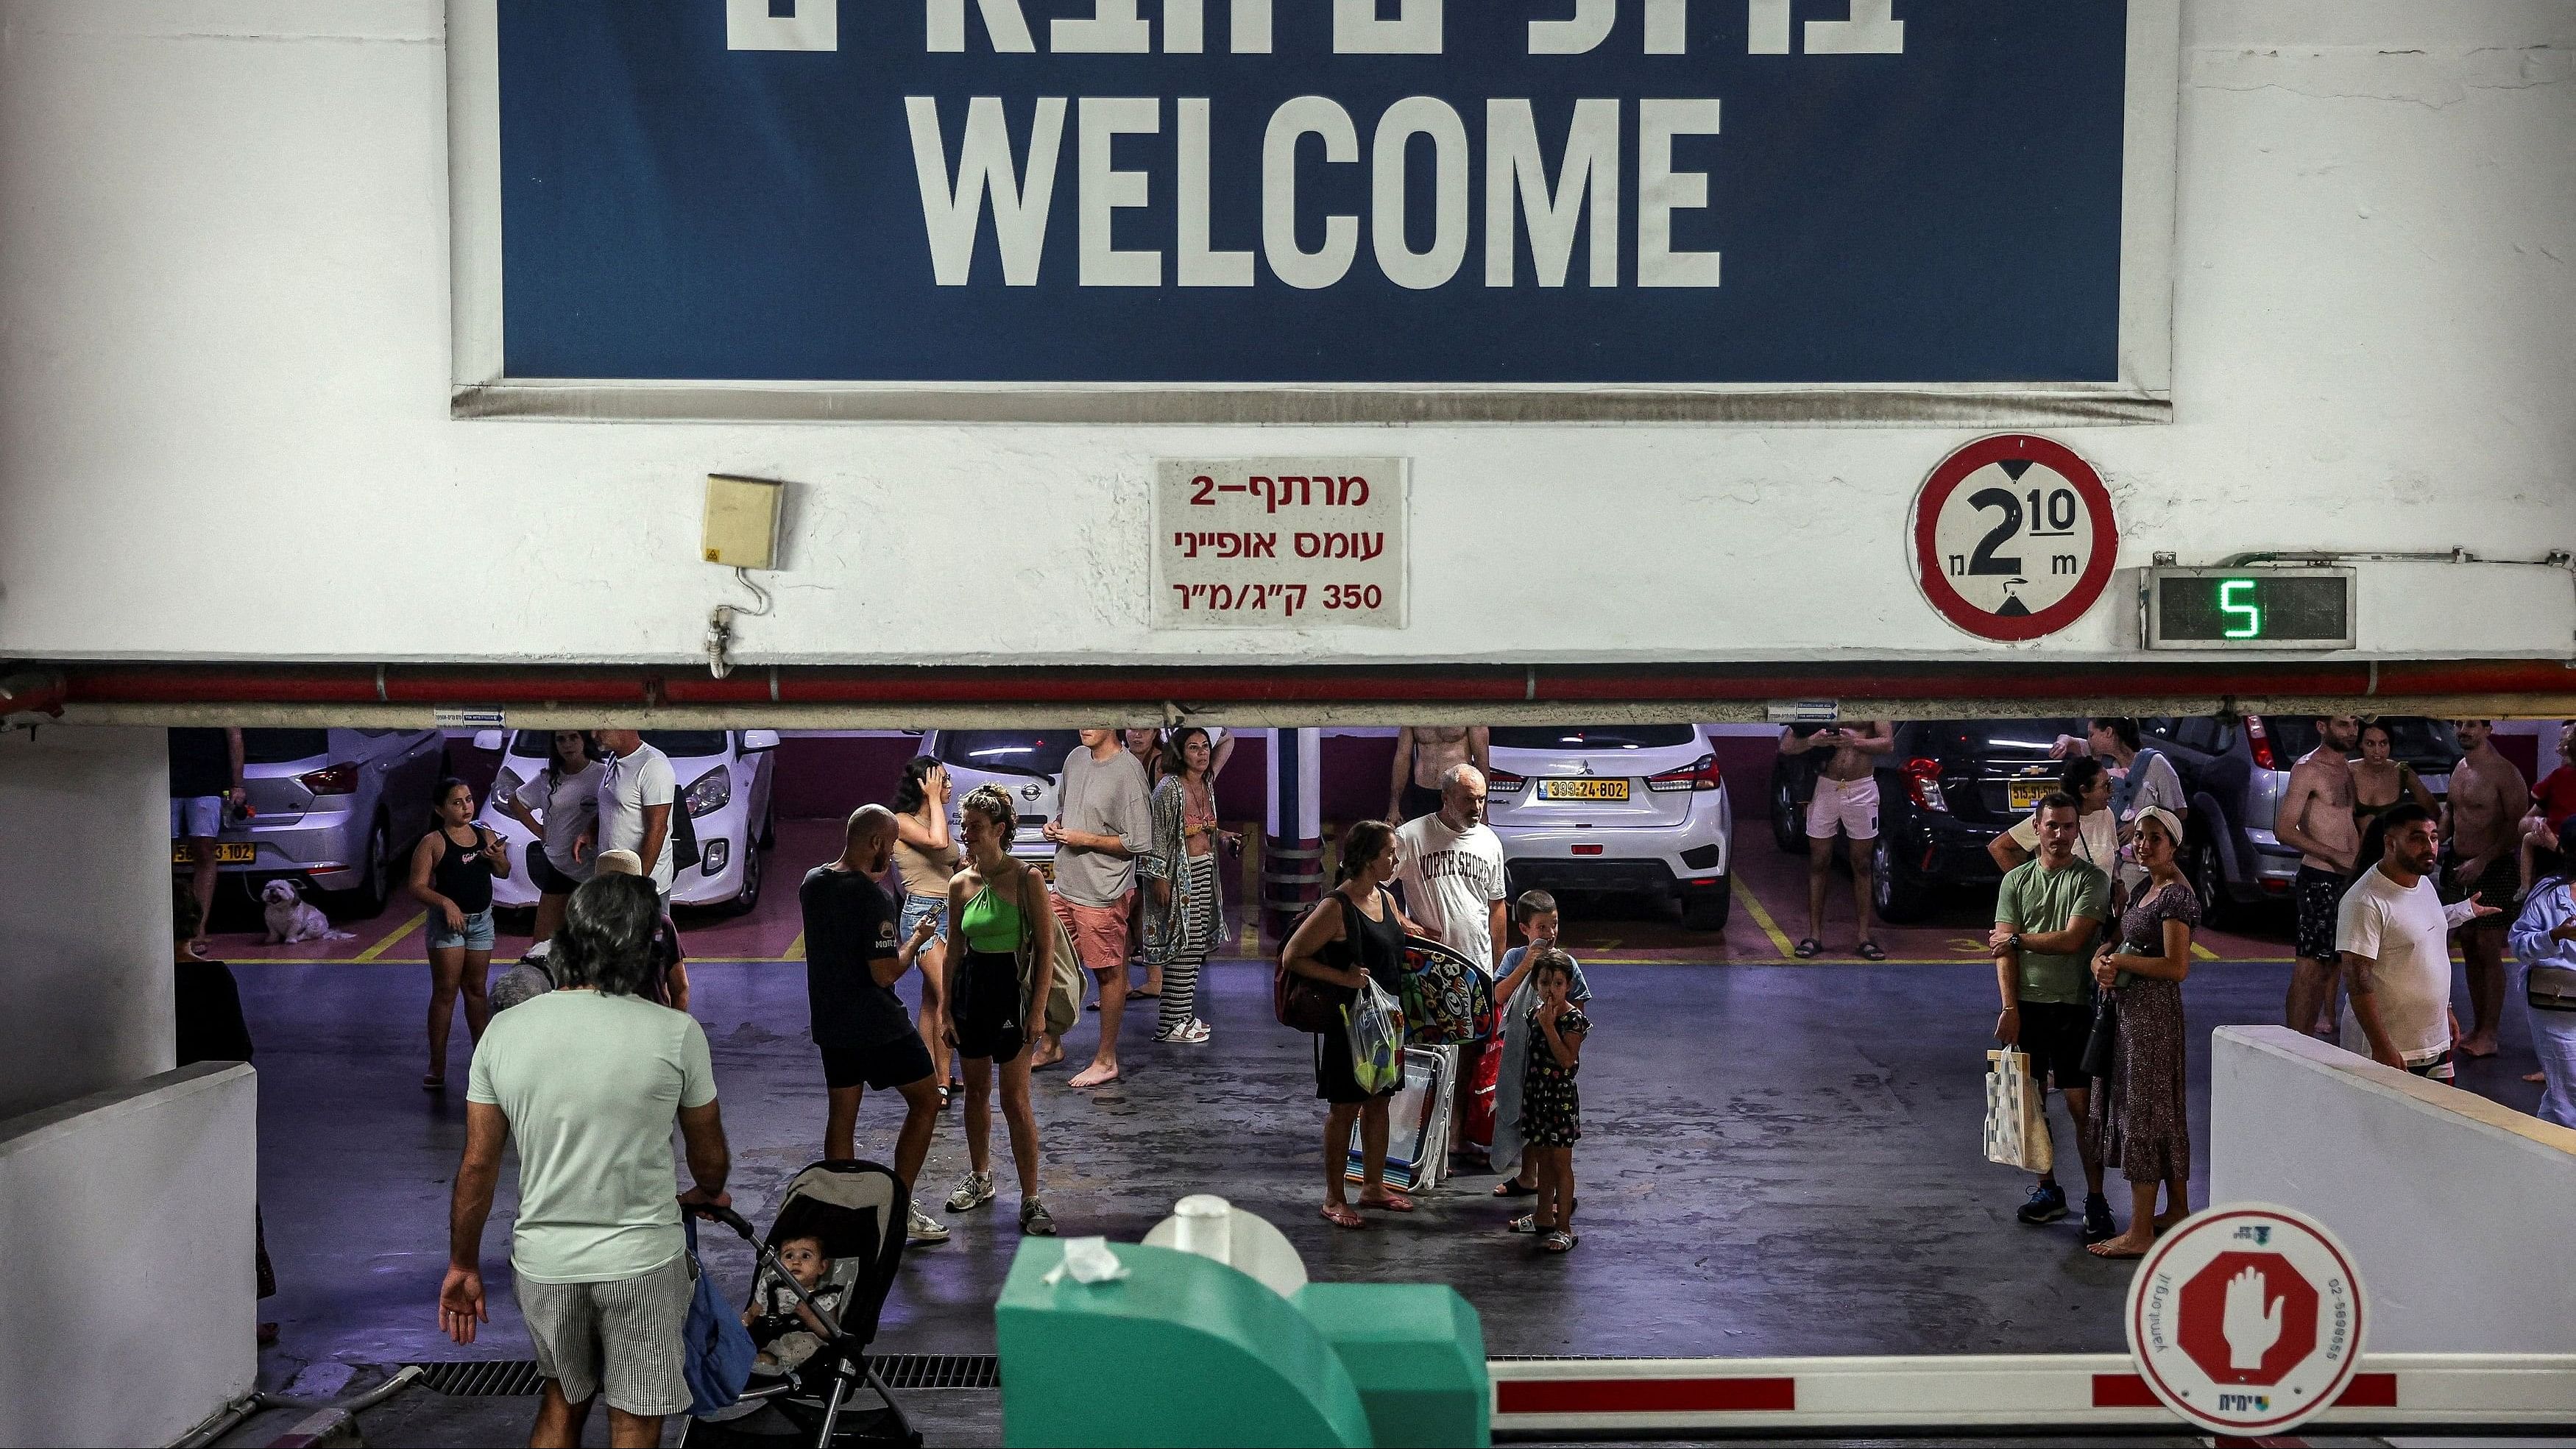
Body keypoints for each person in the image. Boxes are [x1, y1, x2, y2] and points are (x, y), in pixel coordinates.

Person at [442, 873, 733, 1449]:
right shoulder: (676, 1033)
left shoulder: (503, 1031)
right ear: (647, 946)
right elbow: (710, 1162)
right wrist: (705, 1190)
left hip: (545, 1263)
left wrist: (463, 1264)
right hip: (641, 1262)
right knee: (633, 1416)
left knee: (561, 1399)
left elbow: (478, 1164)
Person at [802, 804, 950, 1245]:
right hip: (877, 1024)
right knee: (926, 1102)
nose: (891, 852)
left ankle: (844, 1217)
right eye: (890, 844)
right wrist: (917, 941)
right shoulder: (872, 898)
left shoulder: (813, 883)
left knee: (842, 1120)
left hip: (831, 1023)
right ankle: (898, 1209)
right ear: (875, 843)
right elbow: (885, 973)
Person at [1988, 793, 2115, 1243]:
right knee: (2032, 1107)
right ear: (2036, 829)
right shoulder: (2015, 882)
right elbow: (2001, 956)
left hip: (2075, 1008)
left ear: (2077, 830)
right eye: (2051, 826)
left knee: (2084, 1109)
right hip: (2027, 1010)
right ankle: (2048, 1190)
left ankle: (2096, 1198)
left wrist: (2019, 940)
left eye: (2067, 827)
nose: (2060, 835)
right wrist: (2010, 1008)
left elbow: (2072, 940)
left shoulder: (2091, 881)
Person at [1282, 818, 1420, 1229]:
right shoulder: (1336, 908)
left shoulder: (1386, 899)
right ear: (1367, 859)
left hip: (1386, 1022)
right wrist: (1344, 979)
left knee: (1379, 1103)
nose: (1396, 859)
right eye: (1390, 853)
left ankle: (1373, 1186)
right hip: (1350, 1026)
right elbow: (1293, 956)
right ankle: (1334, 1196)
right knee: (1345, 1109)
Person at [942, 784, 1058, 1237]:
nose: (966, 834)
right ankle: (981, 1177)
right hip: (972, 995)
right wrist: (949, 1011)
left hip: (1011, 994)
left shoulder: (1026, 879)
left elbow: (1046, 951)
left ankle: (1031, 1199)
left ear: (1000, 830)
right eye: (964, 826)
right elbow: (954, 950)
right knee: (974, 1094)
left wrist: (1038, 1012)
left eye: (974, 828)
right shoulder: (960, 883)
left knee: (1015, 1099)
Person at [2084, 807, 2198, 1259]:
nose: (2144, 845)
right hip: (2130, 1014)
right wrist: (2101, 961)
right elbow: (2115, 939)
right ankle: (2176, 1210)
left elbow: (2177, 967)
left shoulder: (2175, 898)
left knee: (2145, 1111)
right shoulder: (2142, 891)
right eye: (2139, 837)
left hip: (2152, 1018)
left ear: (2174, 844)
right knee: (2159, 1108)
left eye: (2155, 838)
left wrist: (2123, 964)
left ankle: (2139, 1231)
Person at [171, 885, 278, 1345]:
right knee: (230, 1213)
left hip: (163, 1115)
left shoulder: (139, 985)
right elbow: (239, 1051)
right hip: (211, 1115)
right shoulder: (213, 978)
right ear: (195, 923)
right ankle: (239, 1320)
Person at [2339, 803, 2500, 1081]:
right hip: (2389, 1052)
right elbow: (2357, 979)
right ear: (2390, 843)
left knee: (2438, 1122)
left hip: (2434, 1044)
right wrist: (2382, 1046)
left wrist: (2445, 1009)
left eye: (2434, 837)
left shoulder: (2423, 883)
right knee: (2383, 1126)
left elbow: (2428, 939)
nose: (2429, 846)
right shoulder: (2364, 901)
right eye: (2417, 838)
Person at [1042, 729, 1153, 1087]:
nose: (1084, 725)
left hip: (1103, 892)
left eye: (1094, 718)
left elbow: (1138, 842)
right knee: (1050, 963)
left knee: (1108, 972)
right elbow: (1067, 811)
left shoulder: (1129, 772)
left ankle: (1106, 1060)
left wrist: (1082, 838)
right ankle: (1051, 1044)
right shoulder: (1075, 759)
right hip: (1066, 885)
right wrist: (1057, 827)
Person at [1488, 890, 1591, 1202]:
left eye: (1555, 926)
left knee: (1553, 1137)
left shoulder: (1565, 964)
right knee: (1527, 1116)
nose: (1550, 934)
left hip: (1554, 1061)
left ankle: (1560, 1196)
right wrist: (1527, 965)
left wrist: (1563, 1037)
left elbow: (1579, 1008)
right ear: (1525, 929)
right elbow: (1499, 995)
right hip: (1523, 1056)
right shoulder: (1515, 958)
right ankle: (1528, 1176)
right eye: (1542, 927)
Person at [410, 778, 511, 1091]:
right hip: (448, 925)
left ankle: (483, 1063)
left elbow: (504, 871)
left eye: (468, 800)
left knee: (477, 991)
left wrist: (497, 857)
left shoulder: (484, 833)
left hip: (482, 921)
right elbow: (417, 886)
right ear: (440, 809)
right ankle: (437, 1065)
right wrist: (446, 903)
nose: (466, 807)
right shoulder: (433, 842)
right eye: (457, 802)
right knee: (446, 991)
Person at [1140, 727, 1235, 1044]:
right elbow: (1158, 837)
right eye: (1194, 748)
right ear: (1180, 753)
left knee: (1194, 949)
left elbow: (1204, 828)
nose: (1203, 753)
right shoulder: (1169, 787)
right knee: (1181, 949)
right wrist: (1160, 878)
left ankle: (1182, 1015)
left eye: (1205, 747)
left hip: (1205, 870)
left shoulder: (1206, 784)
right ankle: (1169, 1023)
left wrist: (1222, 837)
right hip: (1179, 876)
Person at [2444, 720, 2528, 1058]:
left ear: (2488, 729)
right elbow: (2452, 810)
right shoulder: (2459, 768)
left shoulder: (2505, 773)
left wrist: (2482, 859)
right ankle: (2478, 1028)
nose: (2463, 730)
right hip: (2458, 863)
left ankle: (2490, 1033)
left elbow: (2517, 827)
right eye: (2458, 724)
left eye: (2471, 725)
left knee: (2488, 948)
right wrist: (2438, 839)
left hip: (2493, 867)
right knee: (2467, 945)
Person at [1778, 720, 1895, 960]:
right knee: (1819, 861)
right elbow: (1787, 745)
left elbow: (1887, 743)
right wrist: (1813, 741)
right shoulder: (1823, 703)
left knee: (1862, 864)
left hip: (1861, 787)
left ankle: (1864, 936)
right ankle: (1814, 935)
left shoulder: (1872, 700)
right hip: (1825, 787)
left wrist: (1854, 742)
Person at [2277, 717, 2363, 1041]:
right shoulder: (2308, 768)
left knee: (2331, 967)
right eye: (2343, 724)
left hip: (2349, 878)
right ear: (2322, 726)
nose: (2351, 731)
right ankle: (2295, 1043)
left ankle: (2308, 1040)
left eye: (2355, 724)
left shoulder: (2349, 769)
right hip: (2320, 877)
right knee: (2311, 966)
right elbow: (2284, 829)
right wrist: (2331, 853)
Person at [889, 756, 963, 1099]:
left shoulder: (937, 818)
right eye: (941, 782)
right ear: (924, 786)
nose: (947, 787)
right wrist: (934, 798)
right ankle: (943, 1082)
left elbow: (948, 854)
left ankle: (933, 1075)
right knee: (949, 996)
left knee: (933, 1000)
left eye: (946, 782)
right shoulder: (901, 822)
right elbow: (937, 844)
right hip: (924, 916)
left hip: (952, 913)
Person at [1391, 765, 1509, 972]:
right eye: (1468, 799)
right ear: (1446, 798)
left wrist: (1497, 964)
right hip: (1428, 962)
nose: (1477, 807)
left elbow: (1497, 906)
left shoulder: (1490, 841)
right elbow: (1370, 886)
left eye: (1481, 799)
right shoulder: (1411, 836)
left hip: (1477, 963)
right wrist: (1404, 923)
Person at [1510, 951, 1589, 1253]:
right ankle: (1543, 1216)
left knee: (1560, 1164)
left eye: (1558, 983)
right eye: (1544, 983)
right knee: (1542, 1157)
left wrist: (1548, 1027)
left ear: (1568, 985)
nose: (1550, 990)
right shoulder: (1534, 1015)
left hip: (1560, 1101)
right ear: (1536, 985)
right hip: (1537, 1096)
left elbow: (1567, 1060)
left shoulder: (1574, 1020)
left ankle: (1564, 1227)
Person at [498, 730, 603, 946]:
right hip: (557, 866)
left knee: (590, 943)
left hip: (594, 869)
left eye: (573, 737)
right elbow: (515, 802)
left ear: (585, 740)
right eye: (561, 739)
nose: (567, 744)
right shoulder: (548, 778)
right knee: (543, 944)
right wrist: (540, 831)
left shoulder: (603, 774)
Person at [2505, 849, 2576, 1129]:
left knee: (2562, 1096)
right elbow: (2519, 944)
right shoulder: (2547, 894)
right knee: (2565, 1093)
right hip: (2556, 1007)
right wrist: (2554, 936)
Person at [169, 726, 244, 958]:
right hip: (164, 778)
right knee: (160, 851)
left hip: (206, 781)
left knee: (204, 849)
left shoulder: (218, 693)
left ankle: (197, 929)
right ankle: (164, 924)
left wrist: (237, 784)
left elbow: (235, 735)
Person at [1986, 757, 2117, 884]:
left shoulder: (2107, 815)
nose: (2111, 790)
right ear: (2084, 791)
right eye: (2105, 786)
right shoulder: (2052, 817)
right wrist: (2026, 888)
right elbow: (1998, 847)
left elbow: (2113, 858)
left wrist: (2118, 883)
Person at [584, 729, 677, 905]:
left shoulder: (653, 765)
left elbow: (658, 830)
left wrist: (637, 885)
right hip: (612, 880)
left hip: (643, 887)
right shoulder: (614, 758)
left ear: (624, 724)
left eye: (600, 727)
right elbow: (614, 803)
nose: (593, 734)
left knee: (646, 933)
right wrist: (590, 830)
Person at [592, 850, 689, 1012]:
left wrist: (675, 1028)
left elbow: (680, 989)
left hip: (654, 1026)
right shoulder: (588, 930)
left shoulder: (661, 925)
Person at [742, 1233, 842, 1373]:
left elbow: (832, 1332)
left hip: (801, 1342)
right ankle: (748, 1358)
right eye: (789, 1256)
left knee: (807, 1345)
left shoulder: (826, 1298)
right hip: (767, 1335)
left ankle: (769, 1363)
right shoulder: (770, 1287)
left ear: (822, 1267)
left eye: (805, 1256)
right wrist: (745, 1321)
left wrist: (811, 1318)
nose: (796, 1262)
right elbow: (754, 1312)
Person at [2513, 721, 2576, 900]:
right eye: (2561, 743)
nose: (2559, 750)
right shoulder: (2557, 779)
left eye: (2566, 744)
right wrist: (2537, 825)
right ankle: (2524, 887)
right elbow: (2524, 824)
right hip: (2550, 887)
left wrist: (2556, 846)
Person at [1387, 726, 1491, 824]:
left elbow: (1481, 759)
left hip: (1457, 792)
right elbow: (1403, 757)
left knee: (1455, 841)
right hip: (1423, 793)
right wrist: (1394, 806)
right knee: (1422, 841)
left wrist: (1483, 810)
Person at [2351, 719, 2438, 832]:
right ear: (2360, 744)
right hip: (2357, 847)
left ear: (2390, 743)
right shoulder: (2349, 771)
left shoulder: (2402, 771)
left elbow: (2433, 811)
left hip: (2393, 846)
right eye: (2370, 744)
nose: (2377, 751)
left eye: (2383, 743)